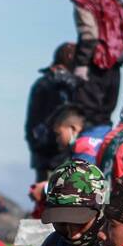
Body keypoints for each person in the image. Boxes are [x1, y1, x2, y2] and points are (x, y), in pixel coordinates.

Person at [52, 0, 123, 127]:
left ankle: (87, 151)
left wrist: (82, 65)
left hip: (95, 67)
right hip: (114, 66)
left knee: (86, 115)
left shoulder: (83, 0)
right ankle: (103, 149)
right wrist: (116, 40)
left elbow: (89, 34)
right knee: (105, 115)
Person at [24, 43, 80, 181]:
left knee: (45, 198)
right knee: (57, 198)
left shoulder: (42, 83)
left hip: (43, 157)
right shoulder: (66, 85)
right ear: (69, 57)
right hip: (56, 157)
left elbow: (31, 125)